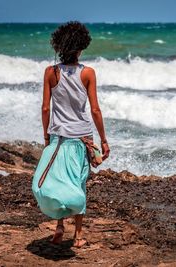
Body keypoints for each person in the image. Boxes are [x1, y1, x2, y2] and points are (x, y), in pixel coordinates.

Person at [32, 21, 110, 248]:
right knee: (78, 182)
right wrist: (103, 139)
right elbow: (95, 109)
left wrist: (47, 137)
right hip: (82, 137)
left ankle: (58, 228)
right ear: (80, 47)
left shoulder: (50, 72)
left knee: (58, 181)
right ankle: (78, 236)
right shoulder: (87, 73)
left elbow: (45, 108)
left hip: (58, 137)